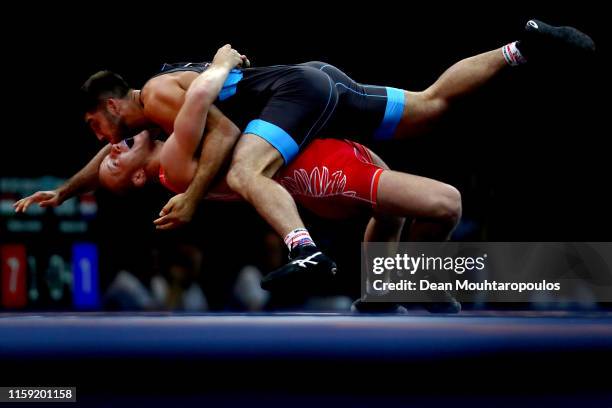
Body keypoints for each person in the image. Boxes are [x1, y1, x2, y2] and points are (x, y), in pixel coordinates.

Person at [14, 19, 595, 290]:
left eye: (99, 128)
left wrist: (190, 197)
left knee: (246, 170)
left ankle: (308, 251)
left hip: (297, 96)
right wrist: (68, 189)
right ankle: (521, 46)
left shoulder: (162, 100)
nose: (102, 145)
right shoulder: (157, 136)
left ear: (113, 105)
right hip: (312, 89)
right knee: (429, 107)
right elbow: (117, 156)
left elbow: (217, 137)